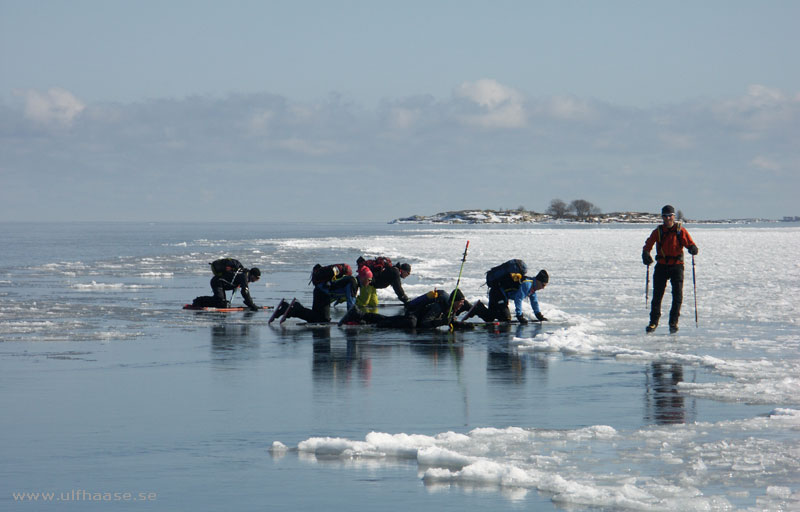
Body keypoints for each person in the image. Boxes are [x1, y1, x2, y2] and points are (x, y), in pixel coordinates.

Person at [642, 205, 699, 333]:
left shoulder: (680, 231)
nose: (668, 218)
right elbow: (647, 245)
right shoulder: (658, 232)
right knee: (657, 295)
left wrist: (693, 249)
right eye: (665, 216)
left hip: (677, 266)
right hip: (661, 266)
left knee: (677, 296)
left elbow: (691, 244)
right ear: (662, 217)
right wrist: (646, 255)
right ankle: (653, 322)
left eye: (670, 216)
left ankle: (673, 323)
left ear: (674, 216)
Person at [340, 288, 471, 329]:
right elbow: (424, 323)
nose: (461, 305)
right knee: (407, 323)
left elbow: (451, 319)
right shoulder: (438, 306)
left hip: (418, 314)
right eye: (460, 302)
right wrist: (442, 322)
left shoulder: (452, 305)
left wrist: (462, 325)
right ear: (455, 301)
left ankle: (360, 315)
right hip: (414, 314)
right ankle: (360, 315)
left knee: (391, 319)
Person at [271, 263, 357, 323]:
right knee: (322, 320)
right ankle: (294, 309)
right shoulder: (350, 280)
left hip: (319, 291)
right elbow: (349, 298)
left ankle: (289, 309)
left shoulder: (341, 272)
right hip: (322, 292)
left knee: (316, 317)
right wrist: (351, 315)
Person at [464, 269, 549, 324]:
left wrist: (539, 315)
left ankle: (476, 308)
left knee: (490, 318)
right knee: (506, 319)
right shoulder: (527, 284)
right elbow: (518, 299)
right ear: (538, 281)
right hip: (497, 293)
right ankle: (477, 308)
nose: (543, 288)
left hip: (499, 294)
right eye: (543, 285)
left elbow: (534, 302)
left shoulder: (532, 287)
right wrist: (519, 315)